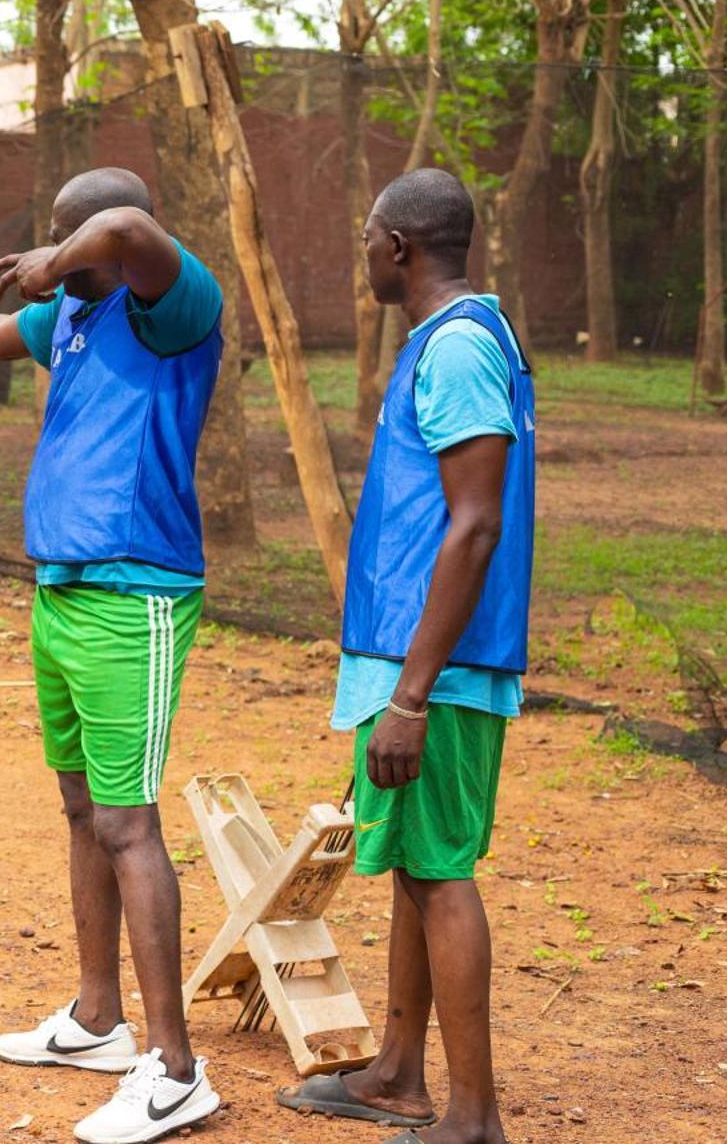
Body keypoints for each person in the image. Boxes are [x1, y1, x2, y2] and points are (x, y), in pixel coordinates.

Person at [0, 167, 224, 1144]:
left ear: (100, 250)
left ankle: (174, 1067)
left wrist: (54, 256)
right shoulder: (67, 317)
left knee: (124, 820)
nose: (54, 253)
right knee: (81, 809)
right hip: (60, 588)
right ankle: (97, 1018)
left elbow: (120, 224)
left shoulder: (170, 307)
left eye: (68, 241)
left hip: (134, 592)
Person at [274, 167, 533, 1144]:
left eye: (366, 238)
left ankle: (470, 1117)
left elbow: (473, 526)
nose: (362, 254)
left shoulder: (459, 347)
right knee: (415, 869)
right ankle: (394, 1072)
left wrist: (411, 694)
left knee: (438, 872)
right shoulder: (453, 340)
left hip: (438, 668)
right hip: (413, 658)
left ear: (397, 249)